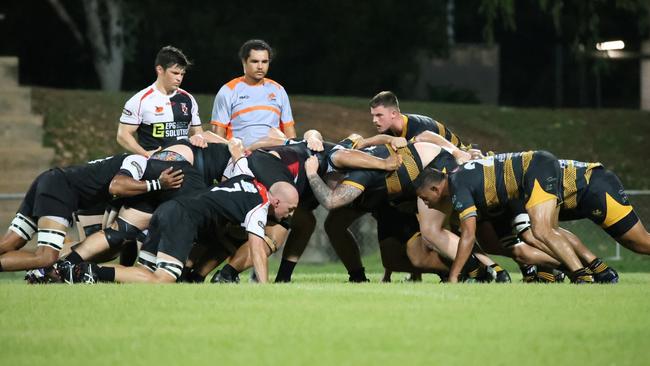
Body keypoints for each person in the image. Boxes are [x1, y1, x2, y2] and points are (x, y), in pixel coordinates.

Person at [73, 176, 299, 284]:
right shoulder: (260, 206)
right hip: (182, 218)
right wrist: (266, 287)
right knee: (162, 280)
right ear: (276, 202)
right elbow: (257, 250)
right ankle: (86, 272)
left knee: (143, 276)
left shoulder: (247, 179)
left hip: (167, 210)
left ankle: (80, 271)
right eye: (290, 209)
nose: (289, 215)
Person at [414, 151, 598, 283]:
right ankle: (587, 270)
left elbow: (468, 236)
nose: (427, 204)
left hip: (529, 175)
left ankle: (585, 272)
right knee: (524, 248)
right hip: (508, 196)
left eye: (425, 198)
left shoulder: (457, 187)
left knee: (539, 232)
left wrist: (454, 275)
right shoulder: (457, 179)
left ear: (435, 189)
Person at [0, 154, 183, 276]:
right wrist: (158, 184)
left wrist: (125, 270)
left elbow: (127, 236)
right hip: (60, 188)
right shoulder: (138, 161)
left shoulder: (134, 177)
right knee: (46, 257)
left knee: (11, 242)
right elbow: (116, 186)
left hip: (52, 180)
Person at [117, 45, 203, 157]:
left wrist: (199, 137)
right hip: (155, 164)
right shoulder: (140, 100)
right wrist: (145, 154)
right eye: (175, 73)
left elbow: (198, 131)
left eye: (182, 74)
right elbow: (123, 135)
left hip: (186, 162)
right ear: (160, 70)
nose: (179, 78)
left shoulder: (188, 99)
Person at [210, 39, 296, 147]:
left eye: (264, 62)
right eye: (255, 61)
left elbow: (289, 132)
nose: (260, 66)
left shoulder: (278, 90)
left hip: (276, 153)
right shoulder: (228, 91)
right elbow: (218, 134)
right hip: (243, 156)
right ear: (244, 62)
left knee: (313, 137)